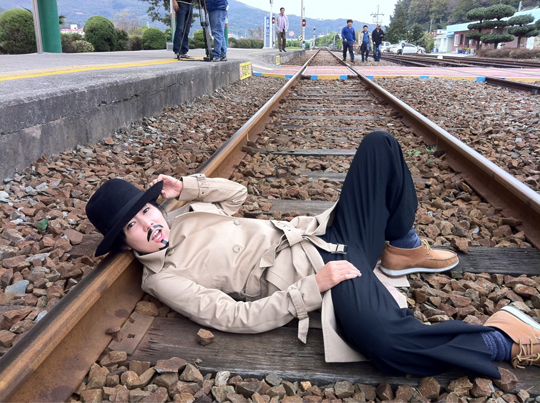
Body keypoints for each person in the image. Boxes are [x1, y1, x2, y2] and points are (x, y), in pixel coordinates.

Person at [86, 131, 540, 378]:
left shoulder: (182, 212)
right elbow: (233, 316)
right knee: (387, 347)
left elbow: (238, 195)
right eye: (133, 226)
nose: (149, 224)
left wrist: (188, 186)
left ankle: (402, 247)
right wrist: (311, 289)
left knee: (379, 145)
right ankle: (501, 338)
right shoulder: (163, 277)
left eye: (146, 210)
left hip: (328, 234)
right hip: (325, 274)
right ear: (125, 244)